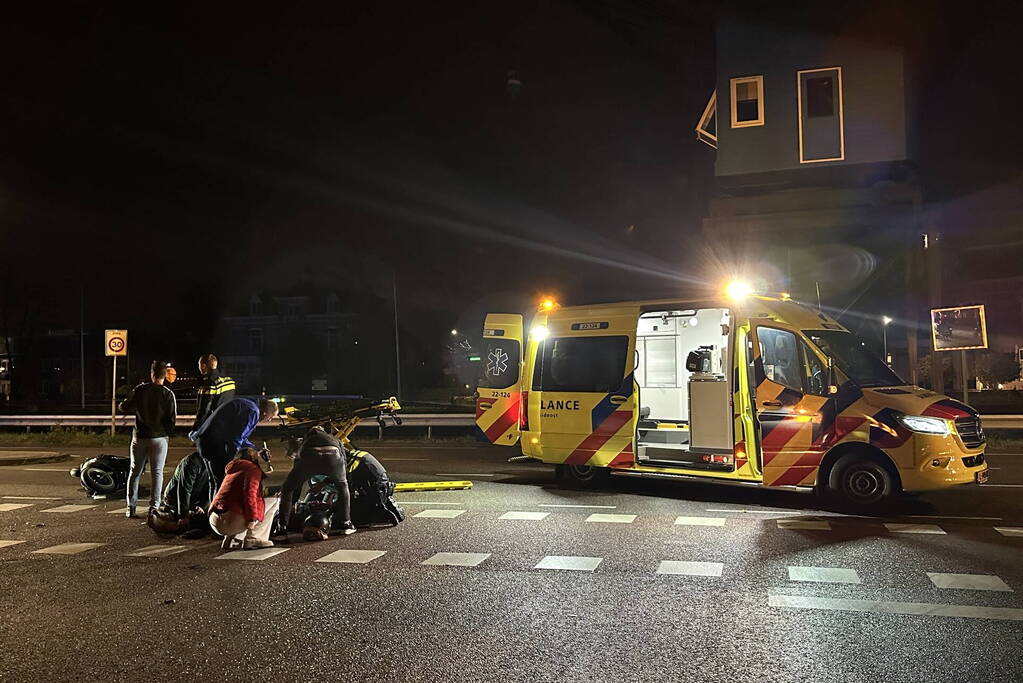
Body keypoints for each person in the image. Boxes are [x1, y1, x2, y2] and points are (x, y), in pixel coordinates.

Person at [273, 426, 356, 542]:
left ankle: (282, 528)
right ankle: (346, 523)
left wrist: (294, 500)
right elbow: (344, 459)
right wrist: (338, 478)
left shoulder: (306, 440)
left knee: (287, 488)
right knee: (343, 487)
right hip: (334, 456)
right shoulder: (334, 439)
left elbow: (298, 462)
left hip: (310, 455)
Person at [119, 361, 177, 518]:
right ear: (165, 375)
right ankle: (154, 507)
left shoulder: (140, 390)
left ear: (152, 374)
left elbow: (124, 407)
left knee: (135, 471)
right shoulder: (167, 394)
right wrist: (168, 433)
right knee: (157, 473)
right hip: (159, 438)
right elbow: (171, 419)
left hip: (140, 436)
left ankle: (131, 507)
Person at [188, 396, 278, 487]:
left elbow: (240, 437)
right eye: (271, 417)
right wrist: (231, 462)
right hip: (215, 445)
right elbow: (236, 439)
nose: (269, 420)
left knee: (216, 483)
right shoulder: (253, 411)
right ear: (265, 413)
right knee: (222, 484)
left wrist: (257, 450)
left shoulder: (248, 404)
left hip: (206, 441)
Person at [208, 447, 279, 550]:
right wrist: (252, 520)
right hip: (232, 521)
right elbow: (250, 495)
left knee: (234, 501)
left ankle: (230, 539)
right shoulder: (252, 469)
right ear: (253, 458)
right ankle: (252, 538)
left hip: (215, 521)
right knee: (275, 501)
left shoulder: (232, 469)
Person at [191, 354, 236, 432]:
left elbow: (204, 410)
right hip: (229, 424)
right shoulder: (229, 380)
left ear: (203, 366)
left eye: (199, 365)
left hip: (213, 426)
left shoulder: (209, 383)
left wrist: (195, 429)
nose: (199, 367)